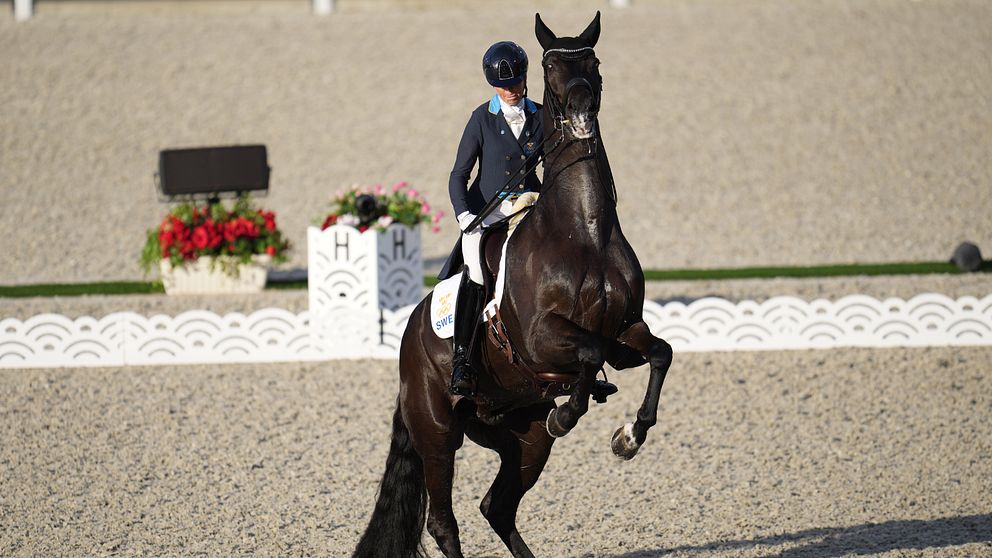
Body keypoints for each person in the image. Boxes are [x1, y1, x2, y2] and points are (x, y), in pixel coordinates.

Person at [439, 40, 544, 398]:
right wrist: (464, 214)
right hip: (486, 213)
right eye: (503, 86)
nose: (511, 91)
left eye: (516, 83)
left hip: (529, 208)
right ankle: (462, 359)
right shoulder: (481, 119)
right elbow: (458, 176)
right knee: (477, 272)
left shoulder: (542, 117)